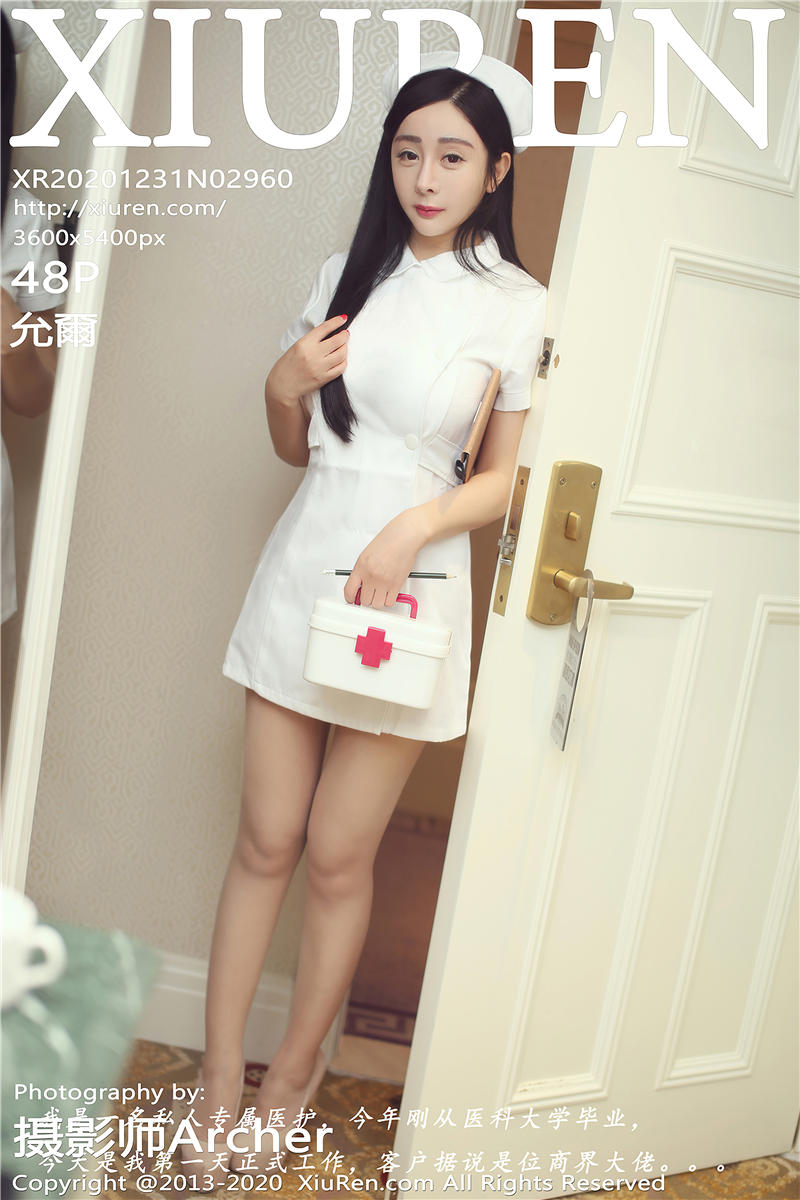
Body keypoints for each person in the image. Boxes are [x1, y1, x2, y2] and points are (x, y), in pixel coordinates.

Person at [178, 53, 547, 1188]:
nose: (425, 178)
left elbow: (505, 480)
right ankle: (220, 1084)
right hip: (304, 566)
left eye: (452, 157)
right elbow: (296, 447)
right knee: (264, 841)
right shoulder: (347, 273)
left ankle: (290, 1082)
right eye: (407, 153)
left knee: (338, 856)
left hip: (410, 586)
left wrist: (412, 529)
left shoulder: (517, 305)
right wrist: (280, 386)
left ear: (495, 172)